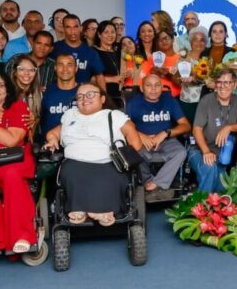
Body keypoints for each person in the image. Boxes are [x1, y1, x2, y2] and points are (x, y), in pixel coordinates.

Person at [44, 83, 142, 224]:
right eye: (80, 96)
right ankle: (79, 209)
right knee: (71, 172)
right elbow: (53, 132)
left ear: (102, 99)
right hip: (74, 161)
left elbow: (134, 139)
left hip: (108, 161)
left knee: (113, 174)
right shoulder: (70, 115)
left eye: (90, 94)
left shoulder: (114, 116)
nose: (85, 99)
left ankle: (105, 209)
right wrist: (53, 140)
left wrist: (127, 152)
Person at [188, 68, 237, 193]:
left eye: (227, 82)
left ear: (234, 85)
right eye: (219, 82)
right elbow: (196, 129)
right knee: (210, 168)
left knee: (221, 189)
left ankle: (204, 205)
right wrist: (206, 151)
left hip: (222, 155)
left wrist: (229, 127)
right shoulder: (206, 100)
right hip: (199, 150)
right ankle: (203, 207)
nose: (222, 86)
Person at [126, 73, 190, 193]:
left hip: (167, 140)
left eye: (157, 85)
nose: (153, 89)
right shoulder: (133, 103)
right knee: (135, 152)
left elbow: (186, 126)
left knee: (181, 152)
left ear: (162, 87)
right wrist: (139, 135)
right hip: (143, 141)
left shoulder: (169, 100)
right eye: (149, 85)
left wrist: (166, 133)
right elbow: (123, 126)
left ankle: (156, 183)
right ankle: (147, 181)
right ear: (142, 88)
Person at [52, 14, 104, 84]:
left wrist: (103, 94)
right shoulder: (54, 48)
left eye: (75, 27)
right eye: (68, 27)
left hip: (82, 94)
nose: (72, 31)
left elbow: (100, 77)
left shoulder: (91, 52)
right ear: (63, 29)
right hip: (58, 93)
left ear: (81, 28)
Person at [41, 54, 80, 142]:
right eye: (60, 64)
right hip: (50, 146)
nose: (65, 69)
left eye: (69, 65)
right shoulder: (46, 92)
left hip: (77, 144)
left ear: (76, 68)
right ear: (55, 68)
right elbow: (37, 118)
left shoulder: (84, 92)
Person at [138, 30, 183, 99]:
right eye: (160, 40)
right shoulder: (152, 58)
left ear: (173, 39)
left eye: (166, 38)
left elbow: (182, 83)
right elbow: (142, 79)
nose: (163, 42)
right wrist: (152, 73)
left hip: (175, 98)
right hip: (154, 97)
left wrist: (167, 74)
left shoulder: (181, 59)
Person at [178, 27, 209, 124]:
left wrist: (195, 78)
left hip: (205, 100)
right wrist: (180, 79)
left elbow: (211, 78)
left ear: (206, 43)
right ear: (191, 42)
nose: (199, 43)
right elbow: (175, 77)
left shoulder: (209, 58)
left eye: (202, 40)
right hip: (186, 100)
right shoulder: (183, 57)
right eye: (195, 40)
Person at [94, 20, 126, 102]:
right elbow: (89, 78)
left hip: (120, 97)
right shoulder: (93, 52)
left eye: (113, 32)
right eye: (106, 32)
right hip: (102, 97)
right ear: (99, 35)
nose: (110, 35)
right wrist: (112, 79)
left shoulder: (119, 52)